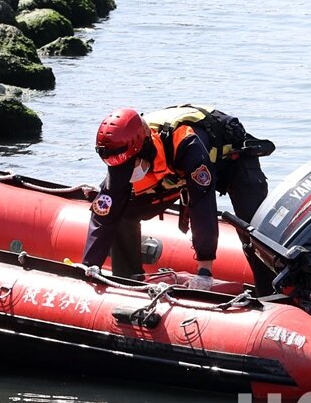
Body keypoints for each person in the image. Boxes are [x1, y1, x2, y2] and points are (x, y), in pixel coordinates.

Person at [81, 105, 272, 290]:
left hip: (228, 159)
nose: (126, 172)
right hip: (172, 171)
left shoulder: (186, 144)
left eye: (130, 166)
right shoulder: (121, 154)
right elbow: (104, 210)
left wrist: (204, 272)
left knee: (253, 231)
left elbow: (202, 205)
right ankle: (128, 281)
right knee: (123, 212)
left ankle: (270, 292)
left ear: (143, 148)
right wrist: (89, 265)